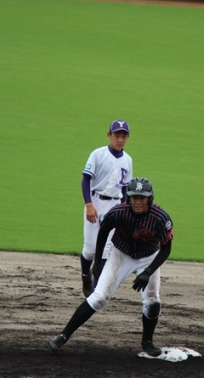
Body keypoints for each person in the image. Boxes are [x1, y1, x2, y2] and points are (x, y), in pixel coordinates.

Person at [49, 177, 174, 357]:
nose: (138, 202)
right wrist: (98, 261)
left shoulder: (160, 218)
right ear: (129, 198)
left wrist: (148, 272)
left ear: (150, 198)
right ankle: (63, 336)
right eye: (134, 197)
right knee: (99, 297)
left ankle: (147, 342)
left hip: (148, 257)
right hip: (121, 254)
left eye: (142, 198)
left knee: (153, 301)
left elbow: (166, 248)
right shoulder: (118, 212)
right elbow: (103, 232)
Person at [79, 119, 133, 297]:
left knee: (106, 251)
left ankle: (97, 289)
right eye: (117, 135)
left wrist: (125, 210)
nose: (120, 139)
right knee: (90, 250)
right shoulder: (98, 154)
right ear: (109, 135)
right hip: (95, 201)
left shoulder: (128, 160)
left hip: (115, 206)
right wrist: (89, 204)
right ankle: (86, 276)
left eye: (124, 136)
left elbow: (125, 189)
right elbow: (86, 180)